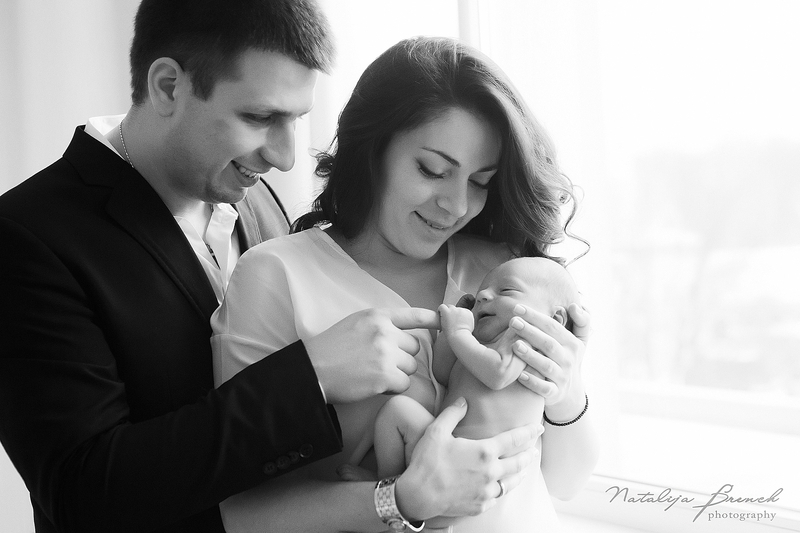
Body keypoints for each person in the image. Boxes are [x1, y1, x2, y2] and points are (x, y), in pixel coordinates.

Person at [0, 3, 533, 533]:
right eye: (260, 118)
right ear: (167, 86)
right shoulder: (28, 235)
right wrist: (310, 376)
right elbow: (81, 493)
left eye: (297, 119)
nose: (285, 157)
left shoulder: (254, 199)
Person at [212, 37, 598, 532]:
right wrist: (397, 501)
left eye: (480, 181)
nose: (457, 206)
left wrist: (566, 390)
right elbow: (242, 515)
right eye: (432, 170)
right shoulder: (276, 277)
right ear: (373, 150)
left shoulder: (506, 275)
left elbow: (564, 482)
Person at [374, 256, 585, 531]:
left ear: (554, 319)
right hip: (440, 453)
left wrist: (459, 333)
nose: (483, 296)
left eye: (506, 290)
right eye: (478, 297)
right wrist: (452, 333)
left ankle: (404, 503)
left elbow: (499, 375)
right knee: (397, 411)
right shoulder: (477, 345)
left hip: (489, 473)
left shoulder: (527, 341)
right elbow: (441, 372)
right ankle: (389, 484)